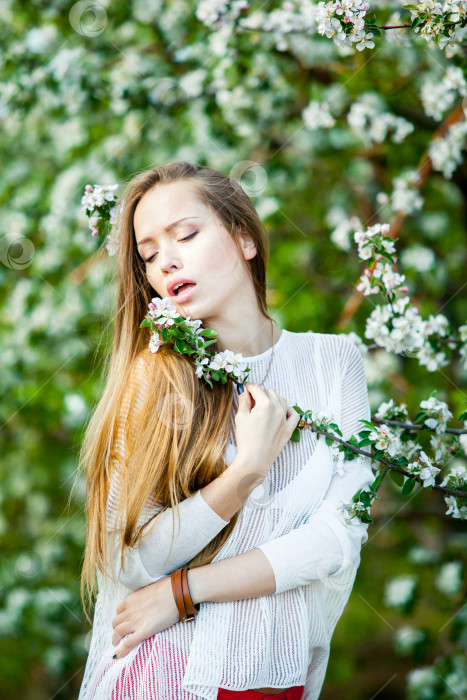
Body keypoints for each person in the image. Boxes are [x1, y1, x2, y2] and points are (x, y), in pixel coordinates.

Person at [77, 161, 375, 700]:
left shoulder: (336, 361)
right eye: (148, 255)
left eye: (186, 234)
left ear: (244, 240)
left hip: (278, 677)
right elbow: (129, 558)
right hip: (168, 674)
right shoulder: (155, 381)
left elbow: (338, 537)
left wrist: (185, 591)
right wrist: (245, 474)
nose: (166, 260)